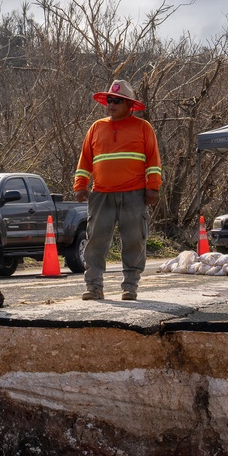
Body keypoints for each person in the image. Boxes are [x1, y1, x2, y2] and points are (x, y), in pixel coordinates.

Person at [73, 80, 162, 301]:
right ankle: (94, 287)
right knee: (95, 241)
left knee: (134, 240)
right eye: (109, 100)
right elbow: (84, 161)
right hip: (101, 194)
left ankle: (130, 286)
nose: (111, 105)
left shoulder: (143, 128)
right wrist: (80, 186)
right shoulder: (96, 127)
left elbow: (153, 161)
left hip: (134, 194)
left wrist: (153, 188)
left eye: (117, 101)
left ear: (129, 105)